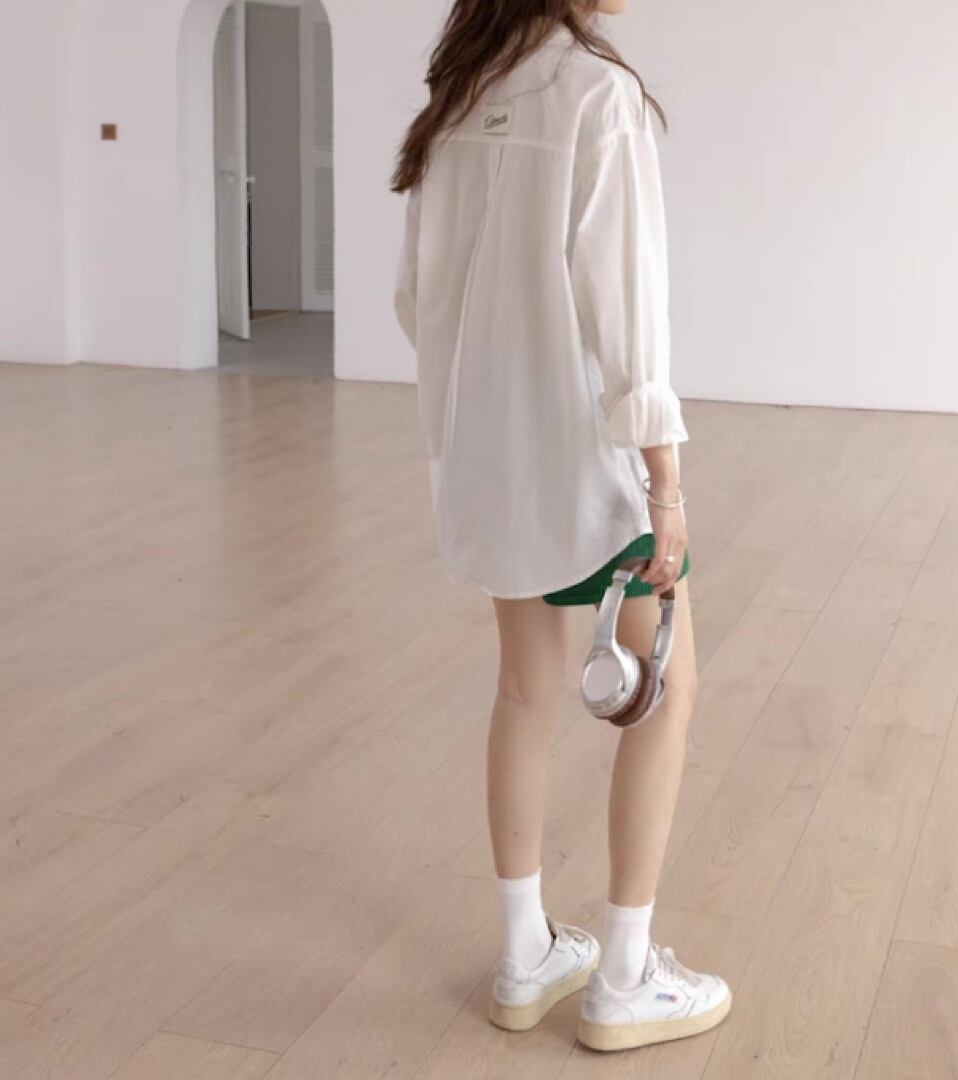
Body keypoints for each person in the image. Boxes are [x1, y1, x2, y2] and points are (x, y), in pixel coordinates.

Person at [391, 0, 731, 1053]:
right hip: (592, 461)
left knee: (525, 691)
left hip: (489, 453)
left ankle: (524, 955)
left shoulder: (460, 97)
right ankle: (625, 975)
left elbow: (414, 301)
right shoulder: (598, 95)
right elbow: (628, 314)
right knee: (666, 692)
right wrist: (665, 486)